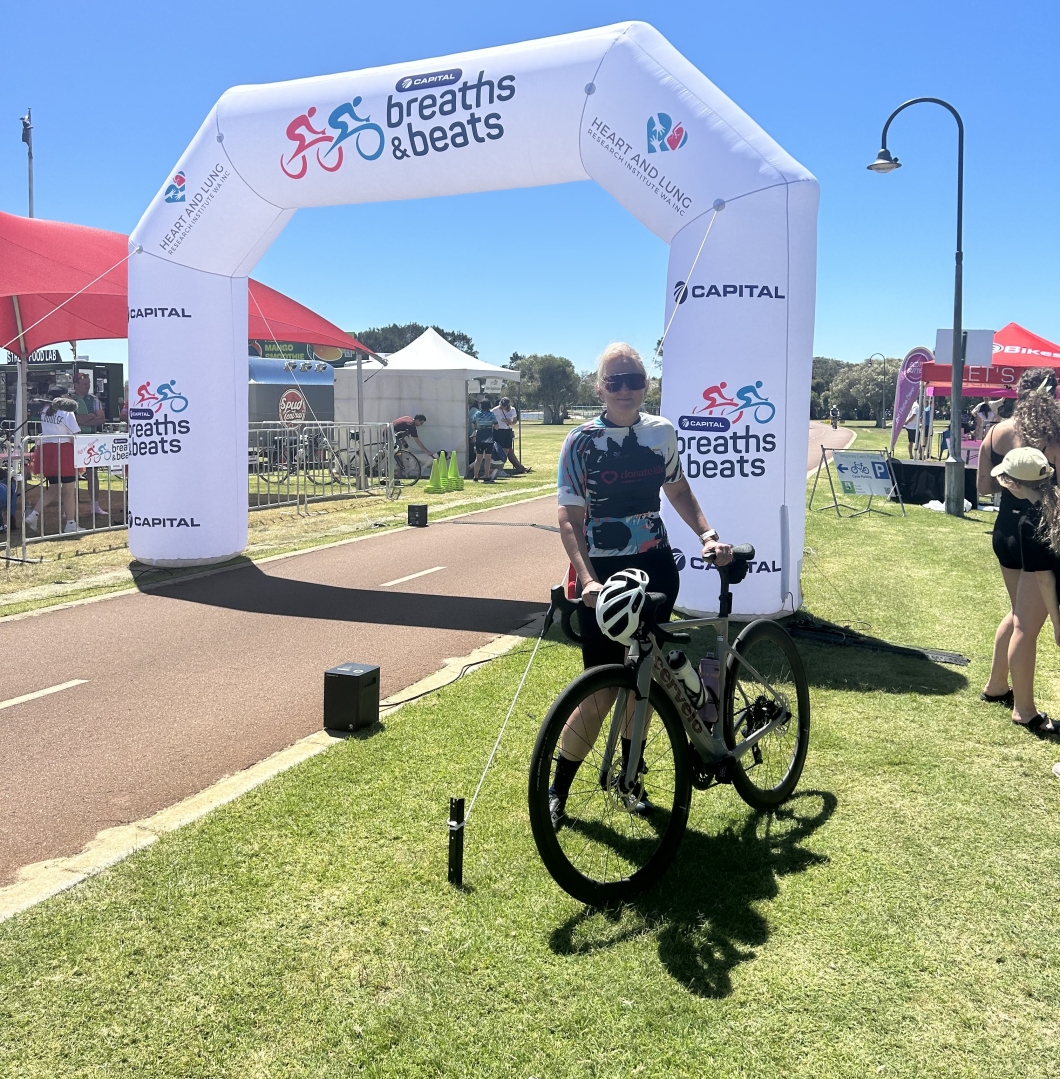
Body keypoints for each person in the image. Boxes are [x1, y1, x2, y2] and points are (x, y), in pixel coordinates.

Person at [549, 342, 733, 829]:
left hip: (654, 570)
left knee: (644, 683)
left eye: (634, 380)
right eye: (615, 381)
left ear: (645, 385)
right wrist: (587, 579)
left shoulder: (661, 433)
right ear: (600, 388)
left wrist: (708, 534)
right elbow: (569, 518)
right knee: (601, 689)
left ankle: (631, 780)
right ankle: (558, 789)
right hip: (603, 578)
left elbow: (677, 489)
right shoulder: (580, 442)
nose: (625, 389)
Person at [976, 368, 1060, 732]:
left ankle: (997, 686)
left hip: (1005, 532)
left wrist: (1011, 484)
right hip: (1038, 533)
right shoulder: (1050, 436)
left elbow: (983, 487)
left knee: (1017, 613)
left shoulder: (996, 432)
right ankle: (1024, 710)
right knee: (1029, 623)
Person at [26, 395, 80, 534]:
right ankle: (70, 524)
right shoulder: (66, 411)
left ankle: (34, 515)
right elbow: (74, 434)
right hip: (64, 450)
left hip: (49, 450)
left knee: (53, 489)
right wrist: (79, 453)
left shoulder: (45, 410)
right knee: (69, 491)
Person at [72, 371, 108, 518]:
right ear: (76, 385)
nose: (87, 387)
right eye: (85, 384)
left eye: (89, 384)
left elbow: (102, 419)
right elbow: (75, 419)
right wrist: (91, 417)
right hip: (74, 439)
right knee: (71, 475)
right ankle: (69, 507)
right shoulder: (69, 400)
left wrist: (86, 419)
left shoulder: (94, 399)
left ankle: (95, 505)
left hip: (91, 440)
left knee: (93, 472)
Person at [491, 396, 530, 474]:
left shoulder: (512, 410)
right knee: (500, 451)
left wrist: (511, 422)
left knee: (507, 450)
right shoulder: (494, 410)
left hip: (508, 431)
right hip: (498, 431)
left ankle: (506, 468)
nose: (502, 407)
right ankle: (501, 469)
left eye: (504, 406)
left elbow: (515, 420)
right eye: (501, 405)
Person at [470, 399, 498, 482]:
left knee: (478, 458)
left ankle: (475, 476)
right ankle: (486, 476)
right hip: (489, 438)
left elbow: (473, 424)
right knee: (488, 458)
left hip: (479, 437)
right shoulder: (492, 415)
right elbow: (496, 426)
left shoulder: (477, 414)